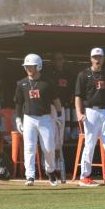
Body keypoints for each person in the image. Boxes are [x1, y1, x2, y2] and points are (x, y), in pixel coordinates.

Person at [74, 47, 105, 187]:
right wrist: (79, 112)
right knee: (89, 144)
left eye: (99, 57)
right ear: (90, 58)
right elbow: (78, 96)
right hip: (91, 111)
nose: (97, 59)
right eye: (95, 57)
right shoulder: (83, 74)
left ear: (103, 59)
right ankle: (84, 176)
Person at [14, 54, 62, 187]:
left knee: (49, 148)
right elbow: (18, 103)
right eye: (27, 66)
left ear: (38, 66)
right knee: (29, 148)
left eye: (31, 66)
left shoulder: (47, 83)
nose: (28, 68)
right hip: (29, 118)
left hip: (45, 118)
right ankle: (30, 175)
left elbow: (56, 100)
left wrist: (59, 115)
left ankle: (50, 171)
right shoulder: (21, 83)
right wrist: (18, 119)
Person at [48, 52, 73, 183]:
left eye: (61, 59)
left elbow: (70, 91)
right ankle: (48, 167)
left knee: (59, 140)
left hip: (62, 108)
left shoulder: (67, 74)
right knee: (49, 139)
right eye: (56, 59)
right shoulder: (49, 74)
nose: (59, 61)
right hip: (50, 108)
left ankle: (58, 167)